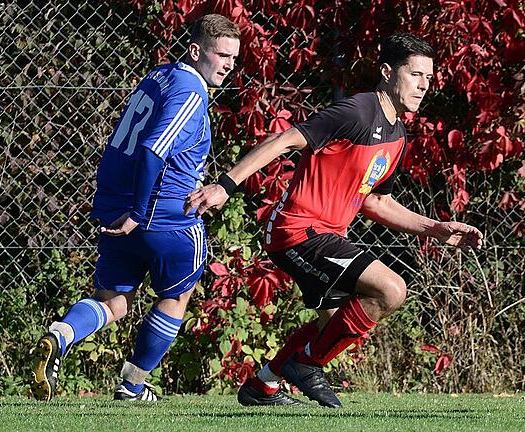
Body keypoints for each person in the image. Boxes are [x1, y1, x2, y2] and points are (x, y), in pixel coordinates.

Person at [184, 32, 483, 408]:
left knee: (333, 323)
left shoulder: (397, 134)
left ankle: (263, 385)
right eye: (415, 74)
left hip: (324, 235)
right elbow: (283, 140)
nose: (423, 85)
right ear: (388, 72)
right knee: (391, 290)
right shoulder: (357, 112)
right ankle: (307, 365)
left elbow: (375, 201)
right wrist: (225, 185)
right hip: (298, 229)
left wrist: (435, 230)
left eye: (428, 77)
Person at [29, 14, 241, 402]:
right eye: (220, 54)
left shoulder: (159, 76)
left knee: (114, 302)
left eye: (233, 57)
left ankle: (62, 334)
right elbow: (152, 150)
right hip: (162, 217)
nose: (228, 64)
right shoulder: (191, 92)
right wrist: (140, 213)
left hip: (117, 208)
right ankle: (132, 385)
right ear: (196, 51)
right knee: (177, 297)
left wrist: (119, 206)